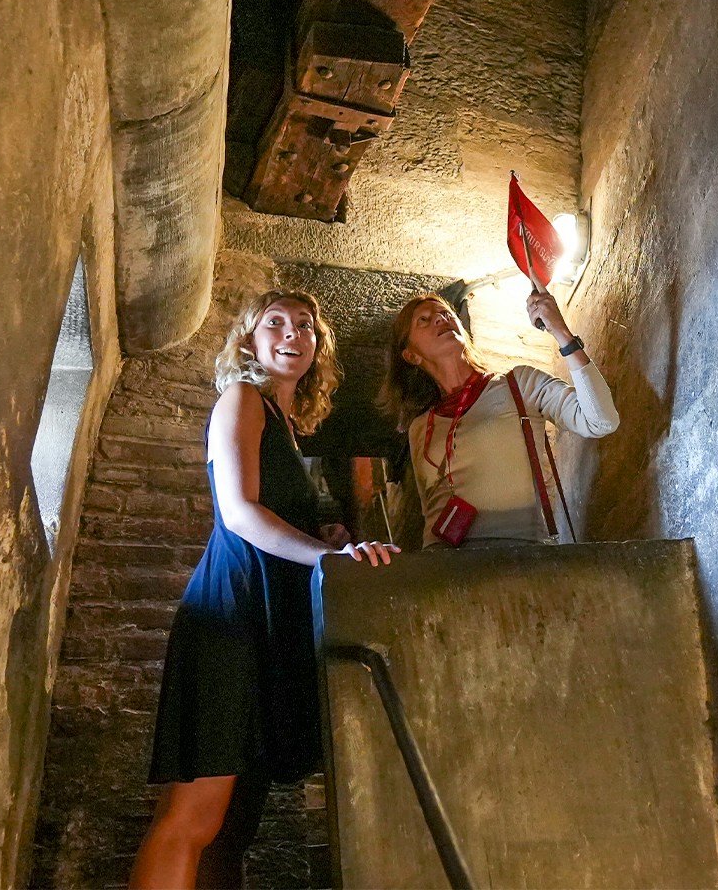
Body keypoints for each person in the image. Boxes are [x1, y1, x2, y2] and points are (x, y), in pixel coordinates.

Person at [130, 290, 397, 890]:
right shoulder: (242, 398)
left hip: (262, 622)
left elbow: (276, 516)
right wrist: (332, 556)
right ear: (249, 342)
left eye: (305, 325)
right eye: (274, 323)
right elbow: (240, 515)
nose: (292, 333)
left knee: (231, 829)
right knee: (191, 819)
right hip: (230, 616)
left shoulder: (284, 426)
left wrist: (320, 533)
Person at [381, 289, 619, 548]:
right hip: (442, 563)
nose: (440, 319)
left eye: (446, 313)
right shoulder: (420, 427)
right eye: (424, 320)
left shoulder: (520, 384)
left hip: (515, 557)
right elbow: (429, 509)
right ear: (412, 355)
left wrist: (561, 333)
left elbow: (601, 420)